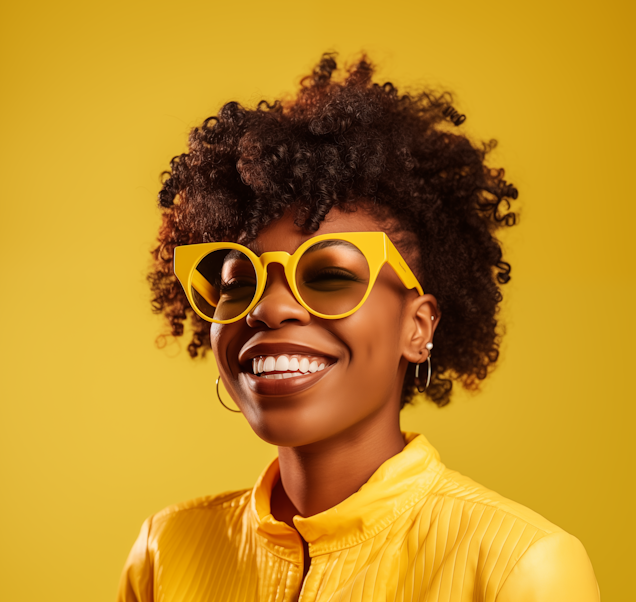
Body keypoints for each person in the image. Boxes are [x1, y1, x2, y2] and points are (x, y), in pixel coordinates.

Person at [117, 53, 600, 601]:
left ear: (418, 327)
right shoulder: (167, 551)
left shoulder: (520, 567)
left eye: (328, 276)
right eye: (238, 280)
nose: (269, 309)